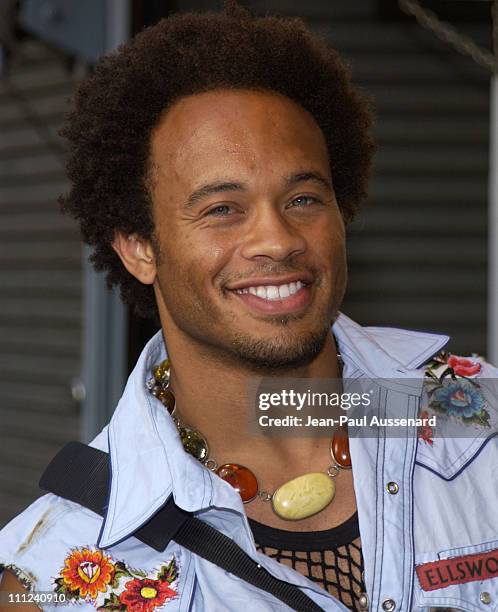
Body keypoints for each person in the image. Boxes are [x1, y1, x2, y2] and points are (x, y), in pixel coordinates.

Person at [1, 2, 497, 611]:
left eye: (305, 197)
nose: (279, 240)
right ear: (139, 247)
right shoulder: (56, 579)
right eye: (221, 209)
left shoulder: (474, 422)